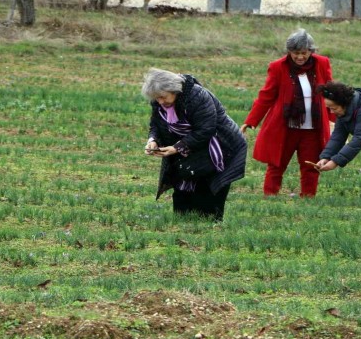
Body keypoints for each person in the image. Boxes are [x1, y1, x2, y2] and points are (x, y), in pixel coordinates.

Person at [142, 68, 247, 221]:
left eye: (162, 97)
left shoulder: (197, 96)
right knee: (182, 199)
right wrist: (153, 140)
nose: (160, 102)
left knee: (208, 195)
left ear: (174, 89)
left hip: (219, 147)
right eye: (157, 99)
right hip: (188, 149)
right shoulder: (159, 101)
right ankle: (183, 228)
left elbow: (206, 129)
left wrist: (177, 147)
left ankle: (209, 231)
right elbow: (156, 124)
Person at [240, 29, 334, 197]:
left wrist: (334, 119)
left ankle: (308, 197)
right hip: (285, 126)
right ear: (289, 52)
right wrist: (251, 121)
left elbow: (330, 93)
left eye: (304, 53)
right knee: (276, 165)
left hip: (313, 127)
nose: (300, 57)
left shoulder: (322, 63)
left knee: (311, 165)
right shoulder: (278, 67)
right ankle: (270, 195)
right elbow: (266, 95)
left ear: (311, 51)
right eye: (296, 53)